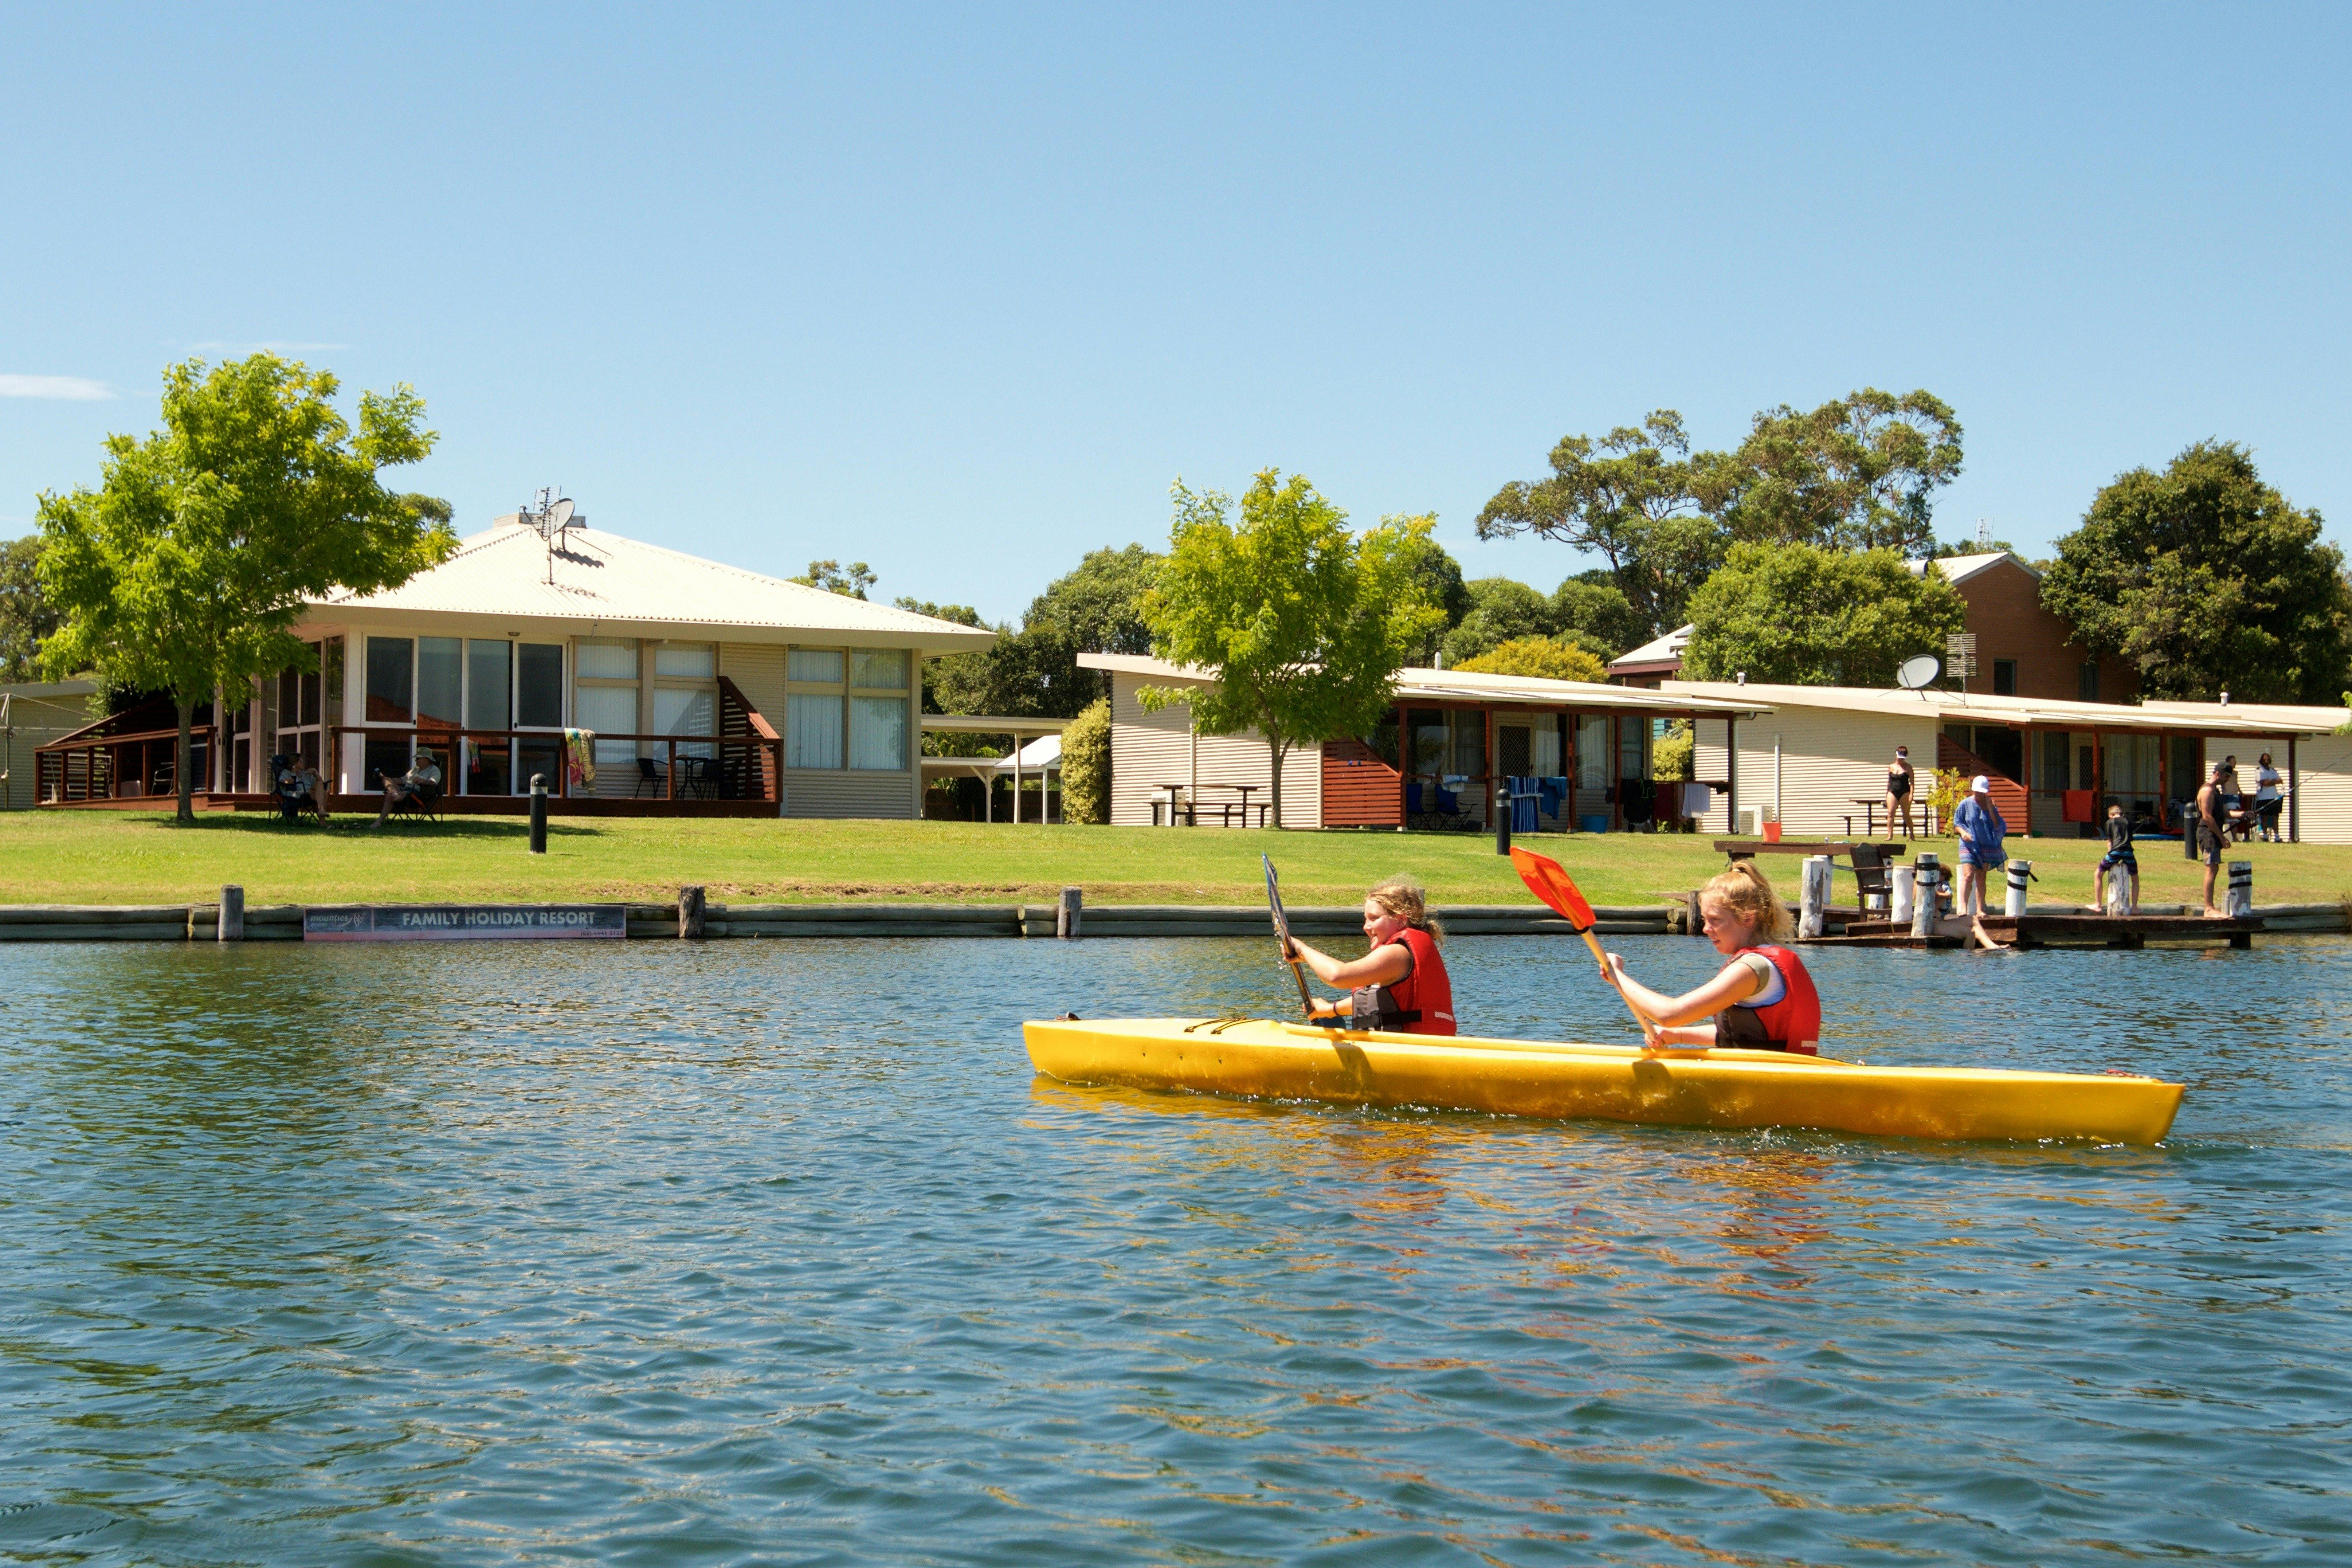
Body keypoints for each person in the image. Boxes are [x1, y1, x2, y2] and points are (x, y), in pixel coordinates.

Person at [1603, 860, 1821, 1053]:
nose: (1706, 929)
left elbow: (1669, 1014)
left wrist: (1617, 976)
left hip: (1769, 1082)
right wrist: (1677, 1036)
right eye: (1705, 920)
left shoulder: (1752, 968)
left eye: (1715, 920)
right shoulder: (1766, 963)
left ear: (1747, 919)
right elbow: (1744, 1037)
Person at [1286, 875, 1456, 1035]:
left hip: (1410, 1055)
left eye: (1374, 918)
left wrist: (1303, 950)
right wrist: (1328, 1010)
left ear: (1401, 920)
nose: (1366, 927)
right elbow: (1378, 1002)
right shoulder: (1406, 952)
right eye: (1366, 919)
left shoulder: (1397, 953)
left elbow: (1337, 976)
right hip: (1419, 1050)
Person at [371, 751, 444, 828]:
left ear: (426, 759)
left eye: (418, 758)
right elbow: (402, 780)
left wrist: (423, 781)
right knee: (386, 780)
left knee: (390, 796)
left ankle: (379, 822)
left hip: (417, 795)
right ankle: (395, 794)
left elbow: (434, 783)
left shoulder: (435, 770)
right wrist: (385, 779)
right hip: (405, 791)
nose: (416, 760)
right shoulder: (415, 770)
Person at [2196, 761, 2229, 916]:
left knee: (2214, 868)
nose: (2228, 779)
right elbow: (2207, 817)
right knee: (2211, 868)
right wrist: (2222, 838)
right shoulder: (2207, 791)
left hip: (2213, 835)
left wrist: (2245, 814)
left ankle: (2210, 908)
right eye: (2227, 776)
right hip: (2208, 835)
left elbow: (2226, 814)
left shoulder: (2216, 792)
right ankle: (2209, 908)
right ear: (2218, 774)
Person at [2090, 801, 2136, 912]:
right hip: (2128, 852)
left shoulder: (2110, 822)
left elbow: (2109, 842)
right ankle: (2134, 908)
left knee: (2098, 874)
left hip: (2115, 852)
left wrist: (2110, 855)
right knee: (2135, 879)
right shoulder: (2128, 822)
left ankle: (2098, 905)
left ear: (2111, 814)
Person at [1885, 744, 1916, 837]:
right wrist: (1886, 794)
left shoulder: (1908, 767)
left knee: (1906, 815)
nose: (1901, 760)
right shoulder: (1891, 767)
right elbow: (1889, 782)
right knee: (1891, 813)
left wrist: (1911, 794)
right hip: (1893, 792)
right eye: (1900, 758)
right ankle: (1890, 835)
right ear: (1896, 756)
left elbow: (1912, 783)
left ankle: (1912, 834)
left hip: (1905, 792)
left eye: (1903, 758)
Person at [2254, 752, 2283, 842]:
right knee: (2265, 817)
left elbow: (2280, 780)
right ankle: (2265, 836)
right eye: (2264, 759)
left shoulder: (2273, 771)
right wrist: (2274, 781)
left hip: (2274, 797)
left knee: (2275, 817)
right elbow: (2265, 783)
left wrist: (2272, 781)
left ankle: (2277, 837)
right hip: (2263, 797)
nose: (2266, 761)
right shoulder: (2259, 771)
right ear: (2261, 760)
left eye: (2268, 759)